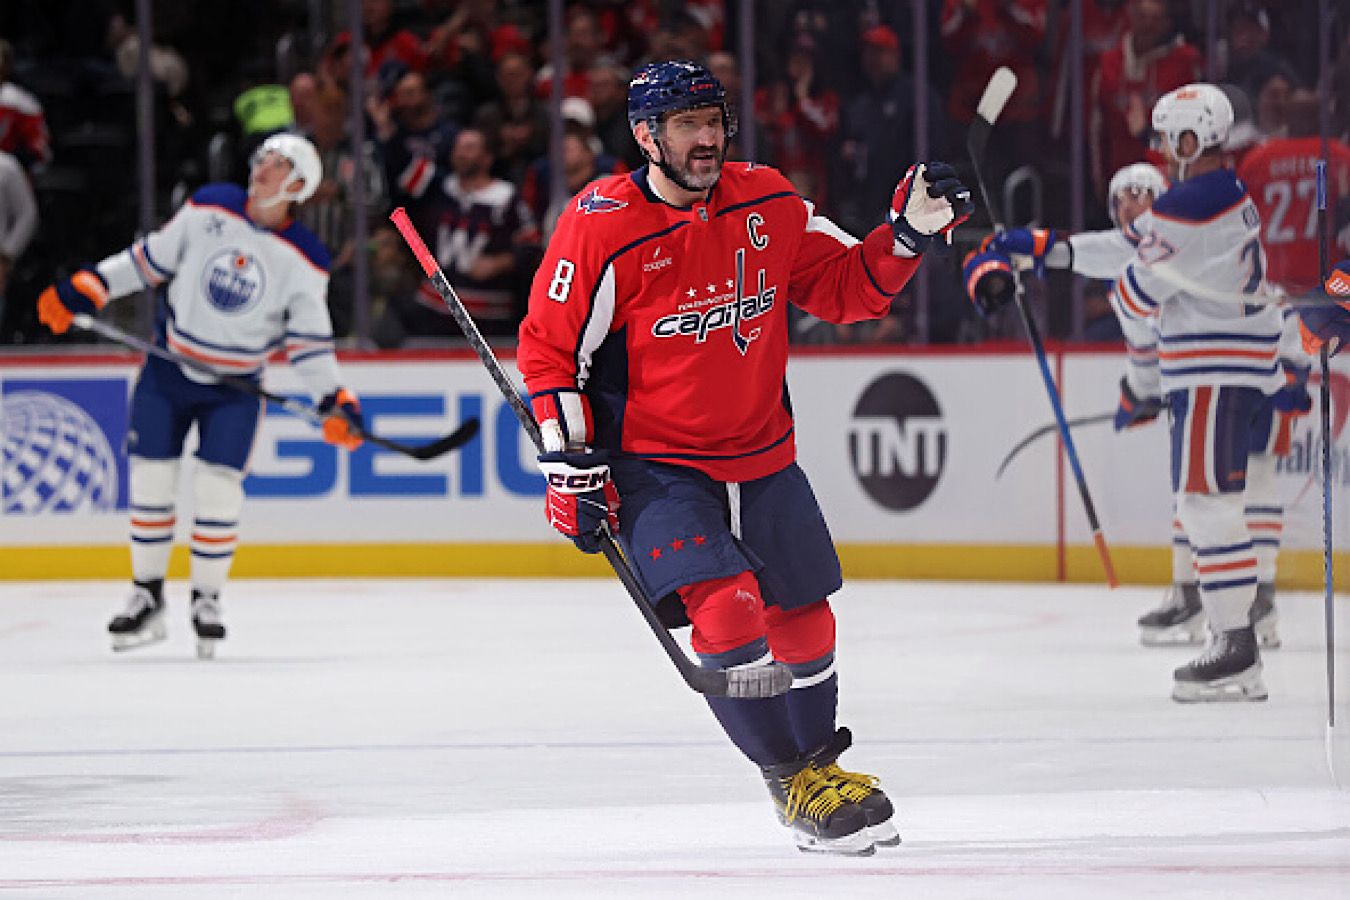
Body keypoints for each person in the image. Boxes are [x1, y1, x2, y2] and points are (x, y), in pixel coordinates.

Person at [516, 61, 972, 854]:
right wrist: (569, 463)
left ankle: (819, 767)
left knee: (808, 621)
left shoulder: (768, 199)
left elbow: (847, 288)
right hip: (657, 466)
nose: (706, 139)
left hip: (764, 454)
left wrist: (906, 236)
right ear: (646, 136)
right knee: (727, 610)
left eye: (713, 122)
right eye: (686, 125)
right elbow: (550, 352)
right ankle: (791, 784)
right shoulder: (601, 224)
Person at [978, 84, 1282, 702]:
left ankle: (1236, 647)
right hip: (1223, 364)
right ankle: (1234, 638)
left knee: (1206, 503)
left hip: (1213, 367)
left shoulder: (1193, 204)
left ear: (1192, 138)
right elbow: (1127, 245)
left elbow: (1136, 292)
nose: (1162, 148)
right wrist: (1049, 249)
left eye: (1170, 137)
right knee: (1208, 501)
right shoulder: (1213, 194)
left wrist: (1094, 284)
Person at [35, 134, 364, 659]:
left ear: (300, 184)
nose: (262, 168)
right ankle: (147, 596)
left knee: (217, 490)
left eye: (278, 164)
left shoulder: (305, 258)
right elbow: (149, 260)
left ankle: (206, 599)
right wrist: (90, 286)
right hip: (169, 370)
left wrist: (335, 399)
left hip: (235, 390)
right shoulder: (210, 206)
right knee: (151, 481)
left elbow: (308, 343)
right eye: (261, 159)